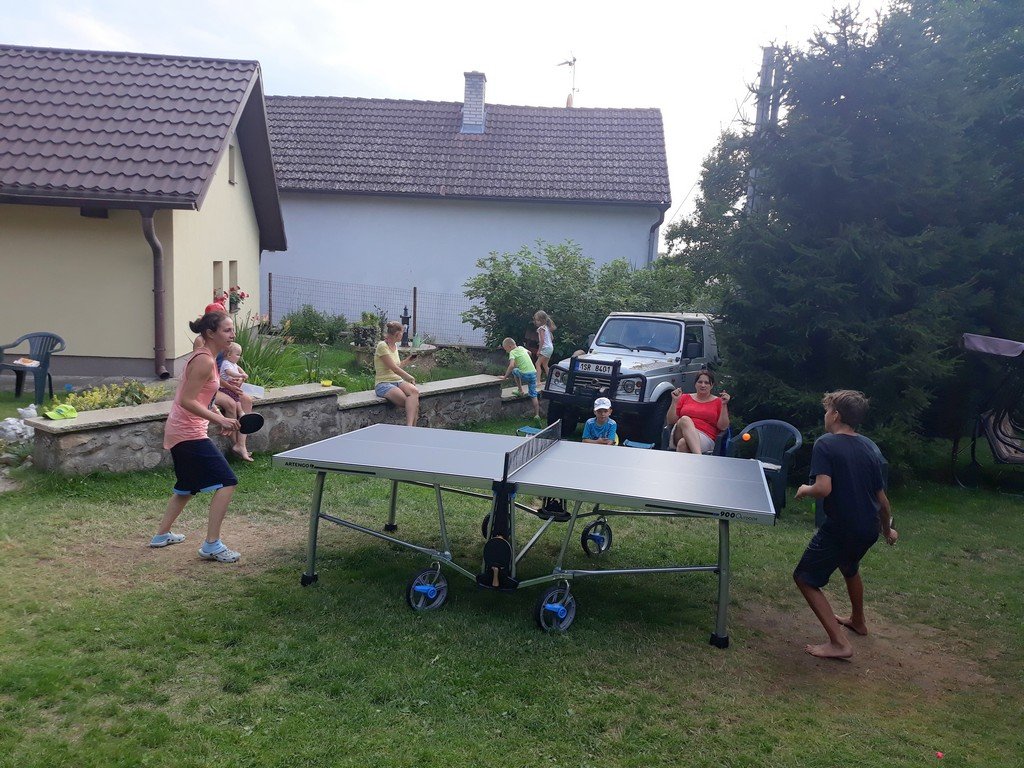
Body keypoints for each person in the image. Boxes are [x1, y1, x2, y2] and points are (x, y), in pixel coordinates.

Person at [793, 390, 898, 660]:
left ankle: (839, 643)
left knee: (804, 577)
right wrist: (887, 529)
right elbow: (882, 500)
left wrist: (805, 489)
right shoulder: (868, 447)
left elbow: (823, 488)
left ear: (836, 415)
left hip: (842, 527)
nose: (825, 415)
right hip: (868, 528)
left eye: (827, 410)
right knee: (849, 565)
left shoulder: (825, 444)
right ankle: (858, 621)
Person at [150, 311, 243, 563]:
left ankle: (161, 535)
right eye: (227, 330)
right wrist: (220, 419)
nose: (232, 334)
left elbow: (201, 396)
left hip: (185, 429)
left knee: (187, 487)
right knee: (227, 481)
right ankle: (212, 545)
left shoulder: (208, 357)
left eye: (232, 329)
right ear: (210, 333)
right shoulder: (204, 361)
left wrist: (215, 411)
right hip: (187, 432)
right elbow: (186, 400)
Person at [665, 370, 730, 454]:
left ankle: (694, 458)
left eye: (706, 383)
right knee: (685, 419)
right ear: (695, 384)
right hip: (680, 432)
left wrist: (724, 405)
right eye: (700, 382)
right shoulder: (685, 397)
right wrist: (675, 401)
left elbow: (723, 427)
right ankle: (699, 456)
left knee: (682, 444)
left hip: (705, 437)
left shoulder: (718, 401)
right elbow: (671, 421)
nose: (703, 385)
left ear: (712, 385)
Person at [375, 321, 420, 427]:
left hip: (397, 380)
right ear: (397, 334)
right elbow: (394, 368)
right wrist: (409, 377)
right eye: (402, 333)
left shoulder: (394, 346)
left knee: (414, 392)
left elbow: (397, 366)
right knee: (411, 403)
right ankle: (411, 428)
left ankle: (410, 428)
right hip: (383, 383)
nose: (403, 335)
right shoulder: (382, 346)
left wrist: (409, 360)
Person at [219, 342, 254, 462]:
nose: (232, 335)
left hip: (230, 386)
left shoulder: (232, 361)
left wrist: (241, 379)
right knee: (232, 403)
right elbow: (215, 376)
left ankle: (241, 444)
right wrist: (233, 384)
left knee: (247, 400)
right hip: (218, 387)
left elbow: (240, 373)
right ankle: (236, 444)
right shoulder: (223, 361)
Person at [502, 337, 540, 421]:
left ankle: (520, 390)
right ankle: (537, 415)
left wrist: (505, 377)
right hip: (533, 373)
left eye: (506, 349)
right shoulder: (521, 348)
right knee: (533, 394)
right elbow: (530, 353)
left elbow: (511, 366)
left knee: (515, 370)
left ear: (509, 346)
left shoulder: (512, 352)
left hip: (525, 374)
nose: (506, 351)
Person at [533, 310, 556, 383]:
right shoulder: (547, 328)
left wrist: (539, 350)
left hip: (545, 348)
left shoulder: (541, 329)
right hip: (550, 347)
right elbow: (552, 338)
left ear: (542, 320)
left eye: (537, 320)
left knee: (537, 364)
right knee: (545, 365)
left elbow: (542, 340)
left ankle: (538, 381)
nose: (536, 322)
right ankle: (551, 380)